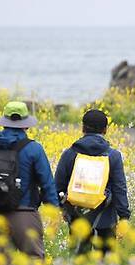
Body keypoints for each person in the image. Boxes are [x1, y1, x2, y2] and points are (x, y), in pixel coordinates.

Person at [0, 101, 59, 260]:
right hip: (25, 214)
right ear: (26, 125)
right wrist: (54, 212)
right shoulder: (34, 149)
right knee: (33, 264)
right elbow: (47, 184)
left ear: (4, 122)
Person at [54, 109, 130, 255]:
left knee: (79, 262)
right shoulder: (113, 156)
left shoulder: (70, 153)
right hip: (106, 217)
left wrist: (62, 209)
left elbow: (58, 185)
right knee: (106, 263)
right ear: (105, 129)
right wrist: (124, 216)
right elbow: (120, 188)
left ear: (83, 128)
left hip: (77, 215)